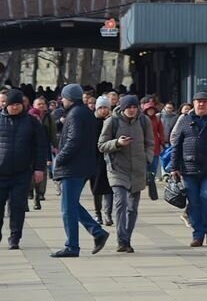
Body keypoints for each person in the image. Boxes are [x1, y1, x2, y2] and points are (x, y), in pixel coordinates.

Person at [51, 84, 110, 257]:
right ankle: (97, 232)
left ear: (69, 98)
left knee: (67, 208)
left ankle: (72, 246)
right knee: (71, 204)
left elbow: (73, 141)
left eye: (63, 97)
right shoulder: (83, 112)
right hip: (82, 165)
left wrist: (59, 159)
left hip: (73, 166)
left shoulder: (75, 114)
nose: (62, 100)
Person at [97, 95, 153, 253]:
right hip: (118, 169)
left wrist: (147, 158)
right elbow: (101, 145)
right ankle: (121, 240)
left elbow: (150, 143)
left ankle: (127, 239)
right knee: (120, 203)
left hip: (137, 170)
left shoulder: (144, 121)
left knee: (132, 208)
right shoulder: (112, 121)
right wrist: (117, 143)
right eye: (129, 107)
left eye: (135, 107)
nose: (132, 110)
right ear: (122, 107)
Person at [171, 92, 207, 247]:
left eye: (204, 102)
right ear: (193, 104)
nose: (201, 104)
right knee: (194, 202)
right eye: (198, 102)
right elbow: (176, 145)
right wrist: (174, 167)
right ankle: (198, 234)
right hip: (188, 169)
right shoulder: (185, 121)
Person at [1, 88, 50, 250]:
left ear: (22, 105)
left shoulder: (32, 122)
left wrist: (39, 169)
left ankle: (15, 237)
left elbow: (41, 147)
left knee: (17, 206)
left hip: (22, 173)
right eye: (11, 104)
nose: (14, 107)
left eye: (17, 104)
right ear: (5, 105)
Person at [27, 96, 56, 210]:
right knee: (29, 175)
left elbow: (52, 134)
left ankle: (39, 195)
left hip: (42, 151)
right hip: (28, 154)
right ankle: (30, 192)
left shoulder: (48, 118)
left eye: (43, 104)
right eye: (38, 104)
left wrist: (55, 146)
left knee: (41, 174)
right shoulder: (26, 121)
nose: (41, 106)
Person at [89, 96, 114, 226]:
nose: (103, 110)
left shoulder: (113, 122)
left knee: (110, 188)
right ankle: (97, 213)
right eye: (101, 108)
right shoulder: (92, 122)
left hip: (110, 159)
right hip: (95, 160)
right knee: (97, 188)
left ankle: (108, 214)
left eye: (106, 108)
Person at [140, 99, 165, 201]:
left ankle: (152, 189)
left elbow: (161, 132)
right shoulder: (141, 119)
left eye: (152, 110)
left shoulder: (157, 119)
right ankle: (148, 182)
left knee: (153, 170)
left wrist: (163, 142)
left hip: (155, 146)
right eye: (148, 110)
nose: (151, 111)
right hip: (144, 146)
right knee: (145, 170)